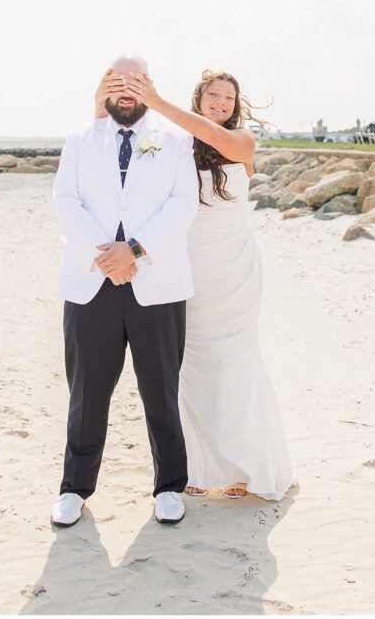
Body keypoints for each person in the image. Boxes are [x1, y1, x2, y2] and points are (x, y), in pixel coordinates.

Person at [95, 66, 295, 501]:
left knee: (234, 360)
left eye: (228, 98)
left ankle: (247, 465)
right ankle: (200, 467)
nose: (221, 103)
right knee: (190, 364)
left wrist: (158, 102)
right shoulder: (177, 143)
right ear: (200, 99)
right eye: (213, 96)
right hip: (187, 265)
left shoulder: (242, 141)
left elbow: (215, 138)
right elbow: (135, 178)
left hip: (234, 266)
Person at [51, 53, 199, 528]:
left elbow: (182, 206)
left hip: (156, 282)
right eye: (115, 84)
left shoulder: (174, 140)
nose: (124, 92)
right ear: (103, 89)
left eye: (134, 84)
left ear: (149, 87)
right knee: (87, 393)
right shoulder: (79, 140)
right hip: (91, 280)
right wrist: (106, 257)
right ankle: (74, 489)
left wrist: (132, 250)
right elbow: (65, 202)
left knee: (161, 390)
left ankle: (170, 487)